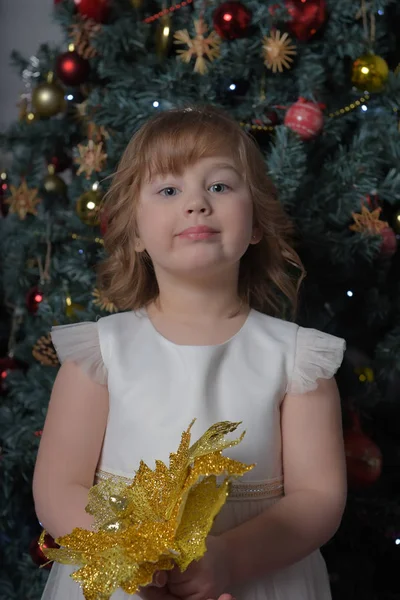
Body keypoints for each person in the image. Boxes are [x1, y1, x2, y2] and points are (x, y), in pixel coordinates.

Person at [33, 105, 347, 600]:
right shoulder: (100, 354)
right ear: (134, 232)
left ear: (258, 222)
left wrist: (231, 559)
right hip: (127, 581)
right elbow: (57, 488)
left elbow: (319, 499)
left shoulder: (296, 361)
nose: (197, 203)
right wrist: (134, 557)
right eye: (168, 190)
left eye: (219, 186)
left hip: (258, 574)